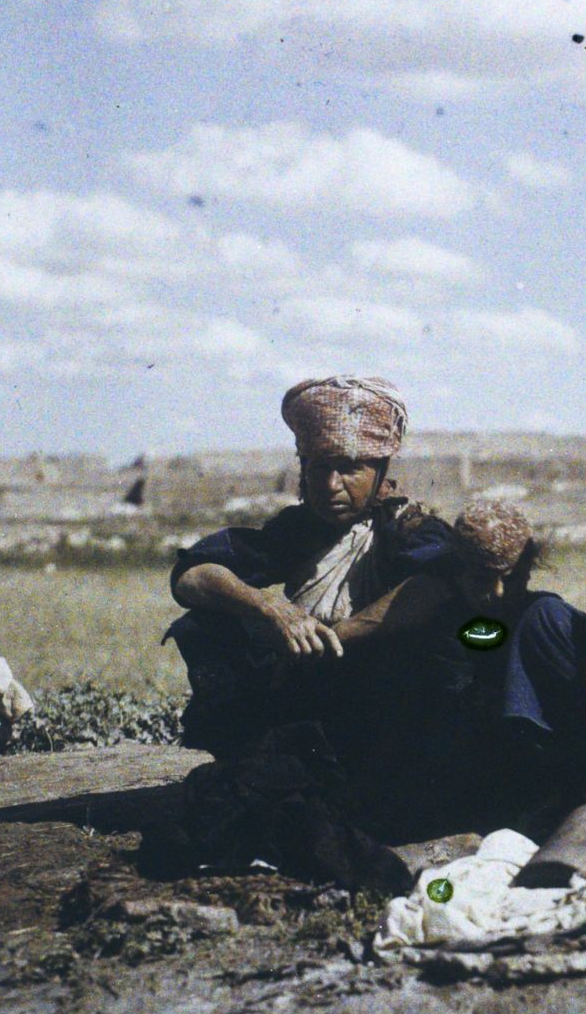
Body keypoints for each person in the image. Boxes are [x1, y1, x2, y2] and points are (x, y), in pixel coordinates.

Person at [156, 375, 455, 887]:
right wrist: (270, 608)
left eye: (349, 469)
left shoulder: (411, 533)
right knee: (206, 624)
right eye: (319, 468)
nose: (331, 485)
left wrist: (338, 635)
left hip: (384, 710)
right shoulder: (296, 531)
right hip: (308, 697)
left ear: (382, 470)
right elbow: (191, 574)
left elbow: (439, 586)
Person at [402, 498, 586, 829]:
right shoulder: (444, 621)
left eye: (509, 579)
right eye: (482, 579)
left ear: (528, 568)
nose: (497, 593)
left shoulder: (546, 618)